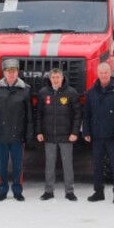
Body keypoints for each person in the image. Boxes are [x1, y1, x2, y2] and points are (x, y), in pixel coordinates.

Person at [82, 61, 114, 203]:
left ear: (110, 73)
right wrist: (86, 131)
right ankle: (98, 191)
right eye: (101, 73)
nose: (103, 75)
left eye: (106, 73)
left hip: (113, 136)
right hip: (97, 135)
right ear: (98, 74)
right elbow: (87, 114)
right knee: (97, 165)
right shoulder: (91, 92)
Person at [0, 58, 33, 201]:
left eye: (14, 71)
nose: (11, 74)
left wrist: (28, 134)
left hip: (18, 135)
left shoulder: (25, 89)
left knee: (17, 166)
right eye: (8, 71)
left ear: (17, 72)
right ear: (4, 73)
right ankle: (2, 190)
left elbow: (29, 115)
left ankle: (17, 190)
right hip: (1, 134)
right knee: (2, 166)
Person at [33, 66, 81, 201]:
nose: (55, 80)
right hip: (49, 136)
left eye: (57, 77)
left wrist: (74, 132)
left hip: (66, 136)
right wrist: (39, 131)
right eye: (53, 77)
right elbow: (39, 115)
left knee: (67, 165)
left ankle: (69, 191)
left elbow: (77, 114)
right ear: (50, 78)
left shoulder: (71, 92)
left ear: (62, 78)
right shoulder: (43, 93)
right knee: (49, 164)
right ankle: (48, 191)